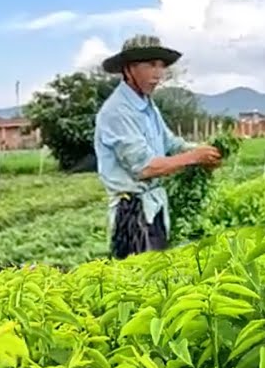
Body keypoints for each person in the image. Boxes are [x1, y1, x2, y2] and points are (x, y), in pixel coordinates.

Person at [93, 34, 223, 259]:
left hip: (154, 207)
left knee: (159, 272)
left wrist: (205, 151)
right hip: (132, 214)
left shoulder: (147, 105)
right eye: (151, 65)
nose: (158, 73)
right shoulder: (117, 111)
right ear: (129, 69)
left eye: (161, 65)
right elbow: (145, 168)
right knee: (141, 276)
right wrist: (194, 157)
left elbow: (170, 143)